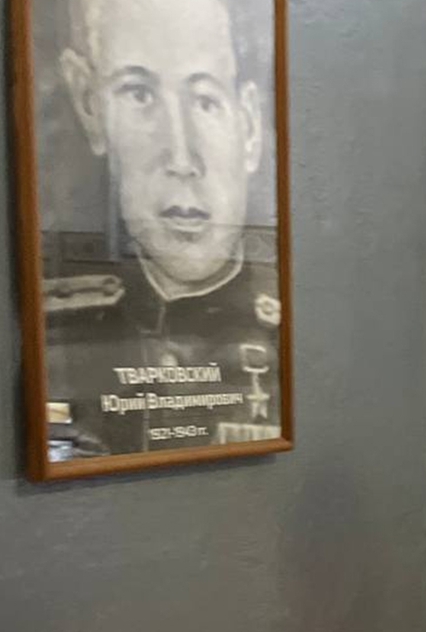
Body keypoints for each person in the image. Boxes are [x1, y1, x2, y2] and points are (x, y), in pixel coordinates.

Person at [45, 0, 281, 459]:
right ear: (90, 106)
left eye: (205, 100)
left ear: (250, 127)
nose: (181, 157)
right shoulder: (63, 325)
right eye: (140, 95)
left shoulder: (279, 328)